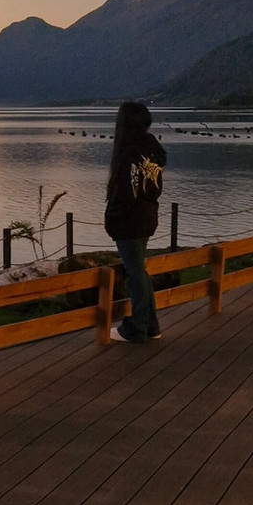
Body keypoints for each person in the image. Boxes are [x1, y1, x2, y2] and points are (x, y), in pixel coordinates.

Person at [103, 101, 166, 342]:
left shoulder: (128, 151)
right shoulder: (152, 148)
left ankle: (136, 327)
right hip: (148, 216)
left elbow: (124, 194)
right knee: (139, 271)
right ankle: (151, 326)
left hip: (129, 221)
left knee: (135, 273)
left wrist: (112, 220)